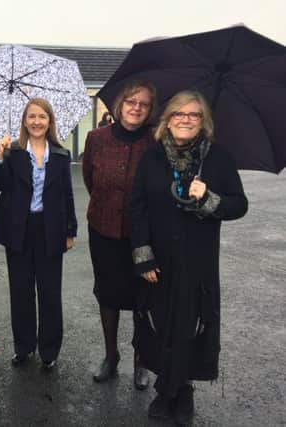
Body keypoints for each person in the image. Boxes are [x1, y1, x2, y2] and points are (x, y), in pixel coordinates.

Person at [130, 90, 248, 425]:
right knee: (160, 322)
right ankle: (166, 386)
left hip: (198, 261)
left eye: (193, 115)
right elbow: (137, 207)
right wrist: (143, 255)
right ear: (166, 120)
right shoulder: (152, 157)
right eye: (178, 113)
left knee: (189, 326)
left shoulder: (218, 158)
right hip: (158, 259)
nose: (185, 119)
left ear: (203, 122)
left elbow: (239, 205)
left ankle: (180, 392)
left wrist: (209, 198)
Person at [0, 98, 77, 370]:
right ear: (25, 121)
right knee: (21, 291)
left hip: (50, 229)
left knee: (50, 292)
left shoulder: (61, 155)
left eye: (42, 117)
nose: (37, 122)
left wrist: (70, 230)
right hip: (19, 230)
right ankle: (23, 347)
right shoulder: (13, 153)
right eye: (32, 117)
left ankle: (49, 351)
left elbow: (67, 196)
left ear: (50, 122)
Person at [82, 80, 157, 389]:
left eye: (143, 103)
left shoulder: (157, 141)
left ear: (150, 110)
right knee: (108, 294)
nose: (136, 107)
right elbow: (89, 178)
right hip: (103, 230)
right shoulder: (96, 138)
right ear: (119, 105)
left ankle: (142, 360)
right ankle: (111, 356)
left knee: (144, 297)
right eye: (130, 102)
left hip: (145, 236)